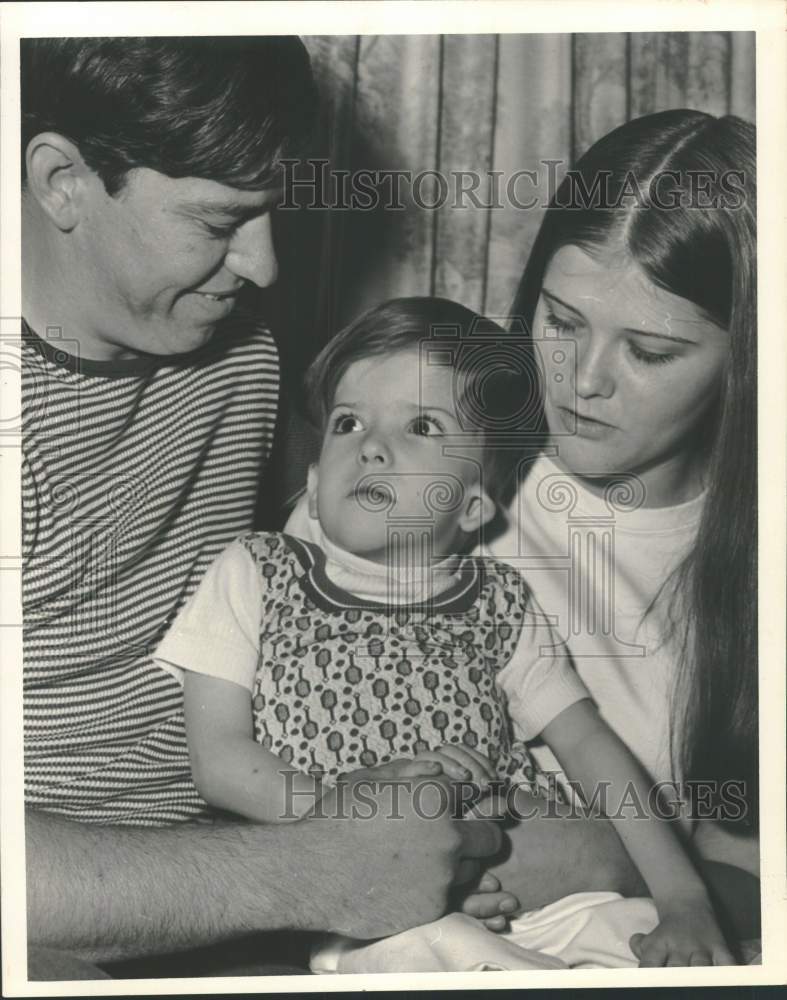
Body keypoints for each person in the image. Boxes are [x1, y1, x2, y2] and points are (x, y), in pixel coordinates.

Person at [20, 37, 504, 980]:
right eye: (219, 222)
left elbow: (331, 562)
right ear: (63, 182)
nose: (267, 266)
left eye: (273, 214)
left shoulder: (235, 348)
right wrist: (317, 869)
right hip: (73, 903)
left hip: (257, 830)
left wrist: (361, 799)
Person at [163, 296, 734, 967]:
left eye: (422, 425)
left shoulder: (498, 603)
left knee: (638, 943)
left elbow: (588, 745)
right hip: (356, 909)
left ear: (472, 503)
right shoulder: (255, 573)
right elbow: (222, 763)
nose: (371, 446)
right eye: (346, 422)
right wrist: (367, 828)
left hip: (531, 902)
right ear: (313, 483)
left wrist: (681, 898)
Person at [482, 109, 760, 957]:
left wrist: (605, 861)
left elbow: (747, 876)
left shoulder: (753, 566)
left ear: (747, 359)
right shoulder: (437, 466)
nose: (581, 381)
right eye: (560, 322)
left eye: (648, 351)